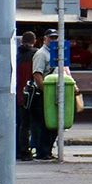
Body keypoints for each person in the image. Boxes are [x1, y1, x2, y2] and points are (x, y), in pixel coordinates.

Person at [31, 31, 57, 160]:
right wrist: (45, 92)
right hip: (44, 94)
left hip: (54, 92)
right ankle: (43, 151)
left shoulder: (55, 53)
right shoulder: (41, 54)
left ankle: (47, 150)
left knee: (53, 123)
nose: (54, 40)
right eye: (51, 37)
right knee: (45, 123)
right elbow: (37, 74)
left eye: (56, 37)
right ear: (45, 38)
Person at [15, 31, 36, 161]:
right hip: (31, 94)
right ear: (34, 41)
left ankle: (18, 150)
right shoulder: (35, 54)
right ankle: (26, 150)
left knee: (20, 124)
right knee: (29, 124)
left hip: (18, 94)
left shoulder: (16, 55)